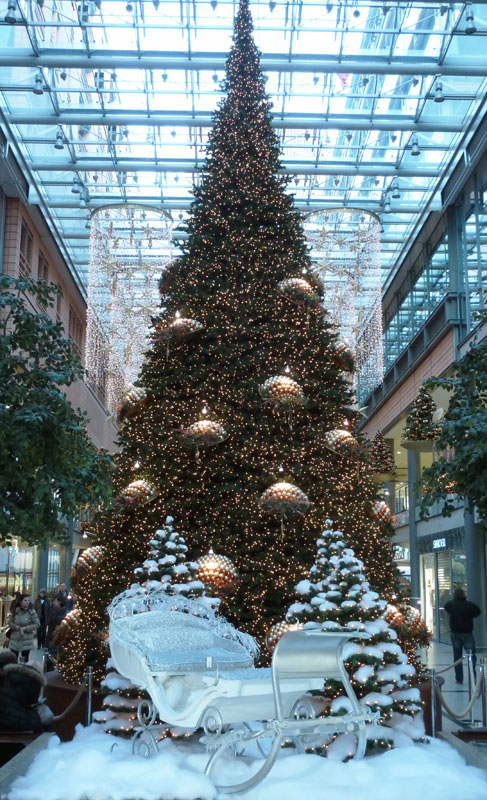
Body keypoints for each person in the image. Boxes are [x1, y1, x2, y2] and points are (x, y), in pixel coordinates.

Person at [0, 650, 52, 732]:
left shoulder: (9, 677)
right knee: (47, 715)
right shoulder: (23, 677)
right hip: (14, 721)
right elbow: (32, 700)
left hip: (7, 718)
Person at [444, 586, 481, 684]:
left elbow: (446, 607)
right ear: (464, 594)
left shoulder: (451, 604)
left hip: (455, 633)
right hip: (467, 633)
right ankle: (473, 677)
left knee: (457, 657)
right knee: (471, 656)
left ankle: (459, 678)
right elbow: (478, 612)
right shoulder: (469, 605)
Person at [7, 594, 40, 662]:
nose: (27, 602)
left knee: (25, 661)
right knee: (13, 660)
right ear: (20, 602)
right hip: (15, 639)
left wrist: (27, 628)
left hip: (26, 640)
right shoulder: (15, 611)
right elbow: (10, 622)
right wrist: (15, 627)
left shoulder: (31, 612)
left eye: (28, 600)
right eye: (25, 600)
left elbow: (37, 624)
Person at [46, 594, 67, 661]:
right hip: (51, 640)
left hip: (57, 642)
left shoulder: (63, 614)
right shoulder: (53, 612)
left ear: (59, 602)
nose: (53, 603)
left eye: (55, 601)